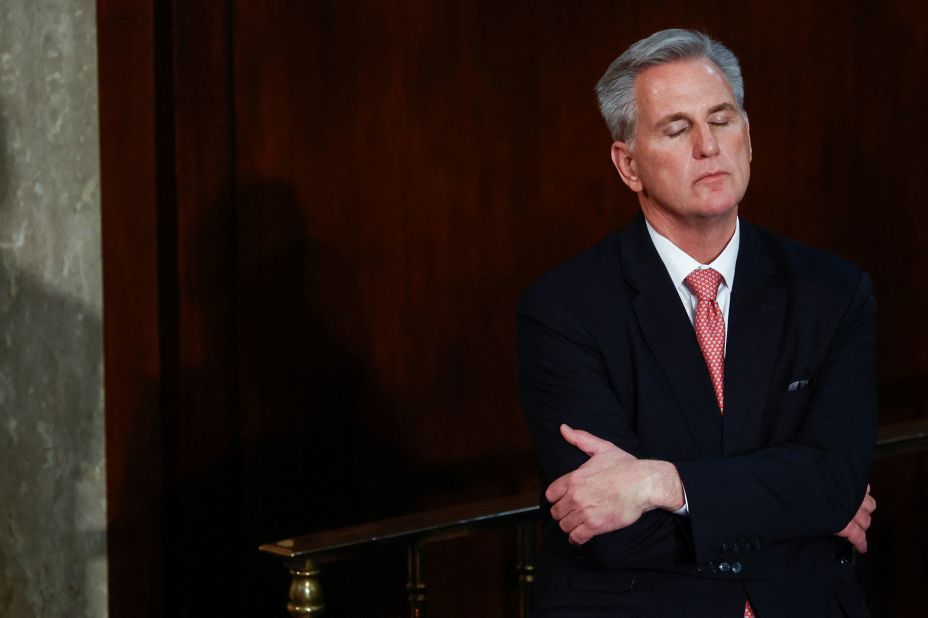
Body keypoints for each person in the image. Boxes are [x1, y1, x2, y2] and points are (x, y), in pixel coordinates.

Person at [518, 29, 877, 617]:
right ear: (629, 164)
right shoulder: (563, 308)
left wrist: (662, 484)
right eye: (678, 129)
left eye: (722, 119)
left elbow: (836, 481)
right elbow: (612, 529)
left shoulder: (833, 291)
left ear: (749, 138)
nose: (709, 147)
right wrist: (804, 511)